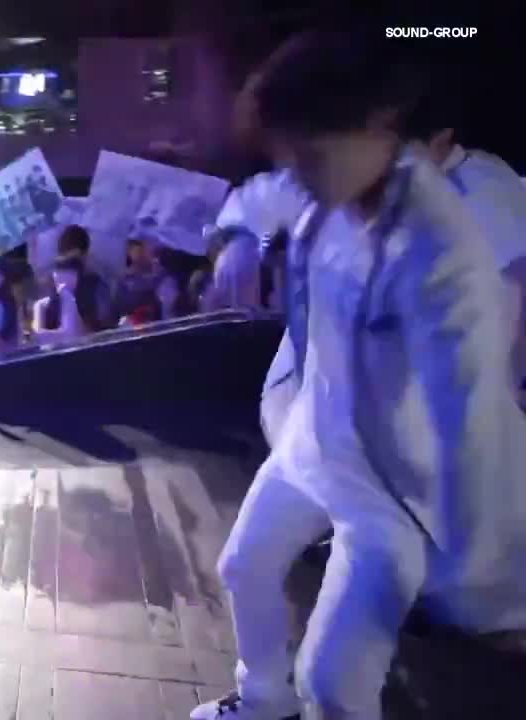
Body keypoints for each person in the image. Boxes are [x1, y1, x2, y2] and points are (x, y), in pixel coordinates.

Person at [192, 30, 526, 720]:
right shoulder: (332, 177)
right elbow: (263, 198)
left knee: (334, 681)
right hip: (311, 442)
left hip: (385, 492)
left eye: (310, 155)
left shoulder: (444, 252)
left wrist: (472, 557)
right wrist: (236, 240)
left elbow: (467, 405)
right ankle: (263, 699)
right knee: (243, 568)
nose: (299, 175)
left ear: (383, 133)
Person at [407, 89, 526, 397]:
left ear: (441, 139)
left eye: (404, 152)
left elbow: (520, 284)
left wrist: (510, 387)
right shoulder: (453, 175)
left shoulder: (478, 192)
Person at [31, 256, 96, 344]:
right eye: (58, 273)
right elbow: (37, 336)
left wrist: (67, 297)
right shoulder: (42, 305)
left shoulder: (86, 304)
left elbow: (71, 335)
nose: (62, 280)